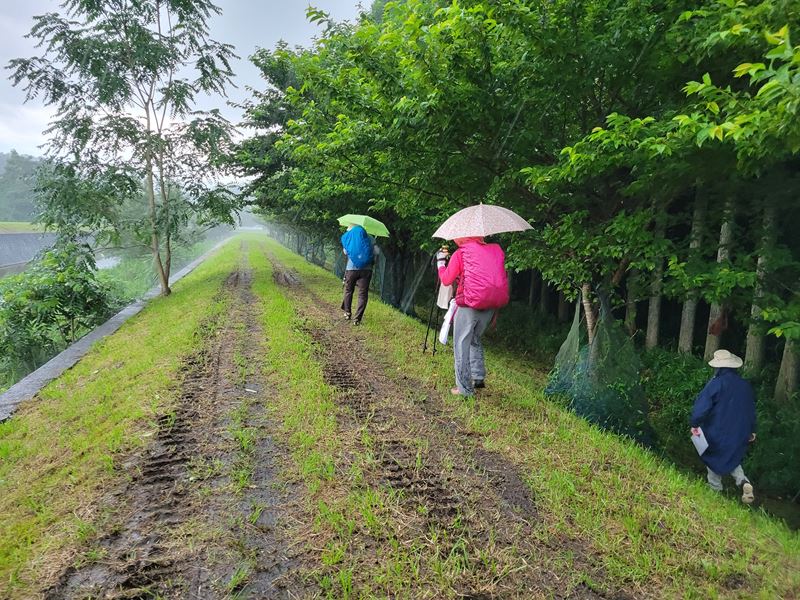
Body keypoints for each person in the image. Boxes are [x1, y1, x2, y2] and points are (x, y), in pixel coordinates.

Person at [437, 237, 509, 396]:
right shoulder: (493, 251)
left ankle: (464, 389)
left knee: (461, 345)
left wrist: (441, 264)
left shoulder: (461, 253)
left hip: (468, 305)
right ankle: (478, 379)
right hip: (490, 305)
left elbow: (446, 280)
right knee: (474, 338)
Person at [690, 349, 757, 504]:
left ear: (718, 366)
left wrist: (694, 423)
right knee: (731, 457)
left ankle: (715, 492)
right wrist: (752, 430)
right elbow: (751, 409)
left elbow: (702, 408)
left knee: (713, 457)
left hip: (717, 430)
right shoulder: (745, 385)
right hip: (740, 431)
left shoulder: (716, 384)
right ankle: (743, 481)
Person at [340, 224, 379, 326]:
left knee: (348, 290)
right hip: (366, 270)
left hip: (351, 268)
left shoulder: (350, 237)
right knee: (362, 294)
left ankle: (347, 313)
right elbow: (377, 252)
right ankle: (357, 319)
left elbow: (345, 252)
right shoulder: (370, 238)